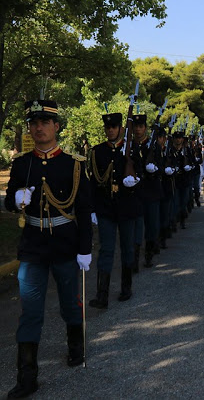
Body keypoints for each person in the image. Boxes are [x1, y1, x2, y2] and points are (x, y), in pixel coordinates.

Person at [4, 100, 93, 398]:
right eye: (33, 122)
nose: (38, 127)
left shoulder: (73, 163)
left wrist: (85, 249)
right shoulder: (21, 164)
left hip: (66, 243)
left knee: (70, 302)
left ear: (56, 126)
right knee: (30, 311)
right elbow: (7, 203)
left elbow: (82, 209)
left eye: (44, 122)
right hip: (32, 246)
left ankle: (76, 347)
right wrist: (16, 199)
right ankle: (27, 377)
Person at [88, 111, 142, 309]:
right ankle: (101, 294)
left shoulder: (133, 149)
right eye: (107, 127)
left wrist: (134, 181)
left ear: (120, 128)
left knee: (127, 247)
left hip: (127, 207)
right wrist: (92, 209)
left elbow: (142, 172)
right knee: (106, 249)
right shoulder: (97, 151)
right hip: (105, 208)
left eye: (113, 127)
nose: (110, 130)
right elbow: (93, 183)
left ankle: (126, 287)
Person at [132, 112, 165, 268]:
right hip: (135, 192)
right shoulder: (129, 146)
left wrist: (155, 169)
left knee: (151, 225)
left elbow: (162, 167)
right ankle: (135, 258)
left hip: (151, 191)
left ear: (145, 128)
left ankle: (149, 254)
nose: (138, 130)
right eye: (135, 127)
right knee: (136, 227)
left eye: (140, 126)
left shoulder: (154, 147)